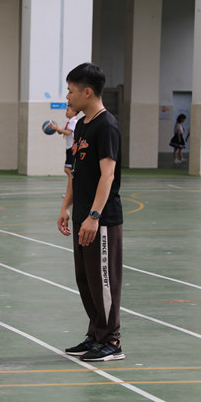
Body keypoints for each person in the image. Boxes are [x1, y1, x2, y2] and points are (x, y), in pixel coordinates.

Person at [57, 62, 125, 363]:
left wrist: (94, 217)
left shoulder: (106, 125)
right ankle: (96, 334)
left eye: (71, 91)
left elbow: (107, 176)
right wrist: (66, 207)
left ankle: (111, 340)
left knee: (103, 279)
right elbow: (75, 172)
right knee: (85, 279)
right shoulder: (82, 125)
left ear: (87, 91)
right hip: (82, 214)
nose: (68, 97)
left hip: (102, 219)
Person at [52, 107, 80, 178]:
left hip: (72, 148)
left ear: (74, 112)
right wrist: (55, 128)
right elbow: (61, 132)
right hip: (69, 148)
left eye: (68, 110)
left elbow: (68, 132)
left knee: (67, 169)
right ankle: (73, 183)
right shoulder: (70, 122)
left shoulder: (74, 122)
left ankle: (73, 183)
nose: (66, 112)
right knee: (68, 169)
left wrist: (56, 128)